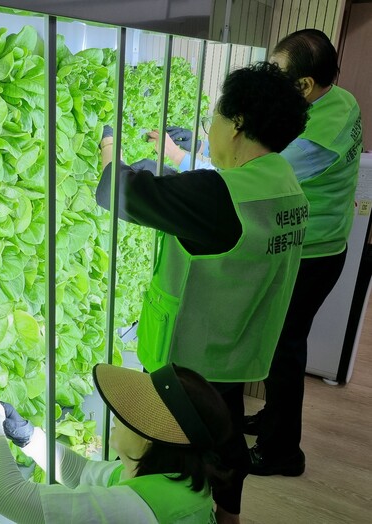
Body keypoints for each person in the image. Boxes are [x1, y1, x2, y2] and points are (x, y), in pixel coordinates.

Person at [97, 62, 310, 523]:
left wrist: (109, 143)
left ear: (236, 125)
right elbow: (223, 204)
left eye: (214, 115)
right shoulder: (284, 182)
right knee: (227, 438)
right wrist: (180, 160)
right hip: (239, 344)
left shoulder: (216, 197)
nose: (208, 127)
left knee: (175, 452)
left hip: (193, 353)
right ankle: (228, 516)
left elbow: (118, 192)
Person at [157, 30, 363, 478]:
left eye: (278, 72)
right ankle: (271, 422)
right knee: (282, 343)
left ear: (305, 85)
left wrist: (182, 156)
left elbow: (248, 174)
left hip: (311, 255)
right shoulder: (340, 100)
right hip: (323, 245)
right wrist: (199, 143)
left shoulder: (314, 140)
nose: (269, 77)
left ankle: (282, 451)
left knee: (282, 350)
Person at [0, 351, 233, 523]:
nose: (117, 415)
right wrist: (29, 437)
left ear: (152, 436)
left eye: (131, 412)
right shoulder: (169, 476)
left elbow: (6, 496)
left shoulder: (137, 510)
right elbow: (81, 472)